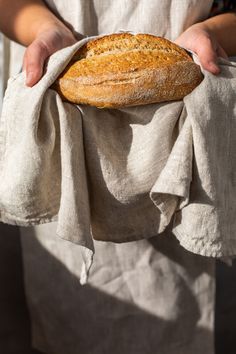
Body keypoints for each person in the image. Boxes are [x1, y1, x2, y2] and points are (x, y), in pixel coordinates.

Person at [0, 1, 236, 353]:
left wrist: (213, 33)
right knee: (72, 320)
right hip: (65, 129)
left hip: (186, 133)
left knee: (175, 306)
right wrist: (42, 29)